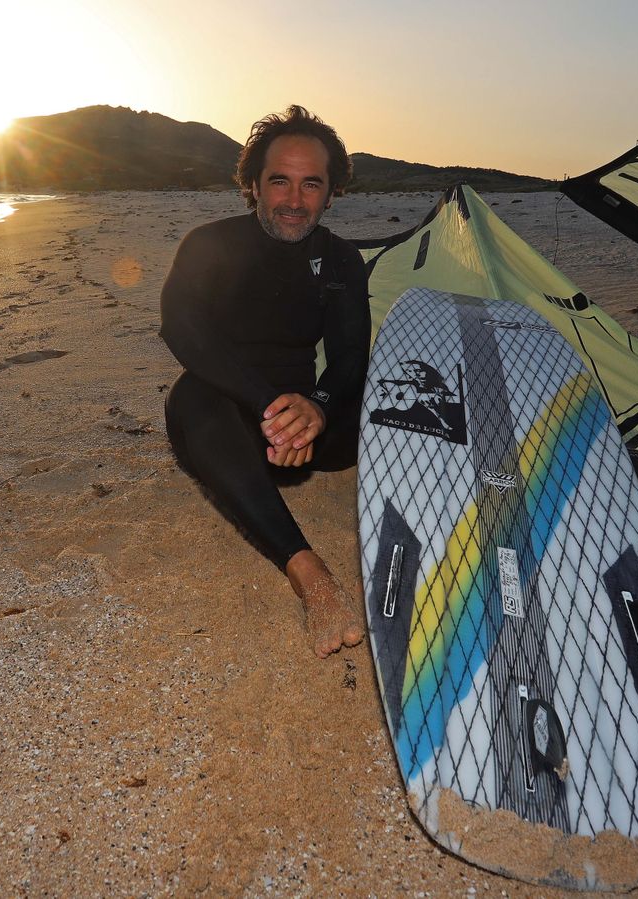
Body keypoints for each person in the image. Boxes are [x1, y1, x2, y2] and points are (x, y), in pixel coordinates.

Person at [160, 105, 370, 659]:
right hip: (232, 417)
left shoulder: (343, 260)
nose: (294, 200)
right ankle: (308, 571)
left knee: (389, 399)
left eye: (311, 184)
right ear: (253, 185)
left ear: (331, 193)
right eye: (280, 181)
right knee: (191, 397)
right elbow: (182, 330)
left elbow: (350, 358)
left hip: (311, 431)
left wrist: (318, 408)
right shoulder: (209, 245)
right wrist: (271, 407)